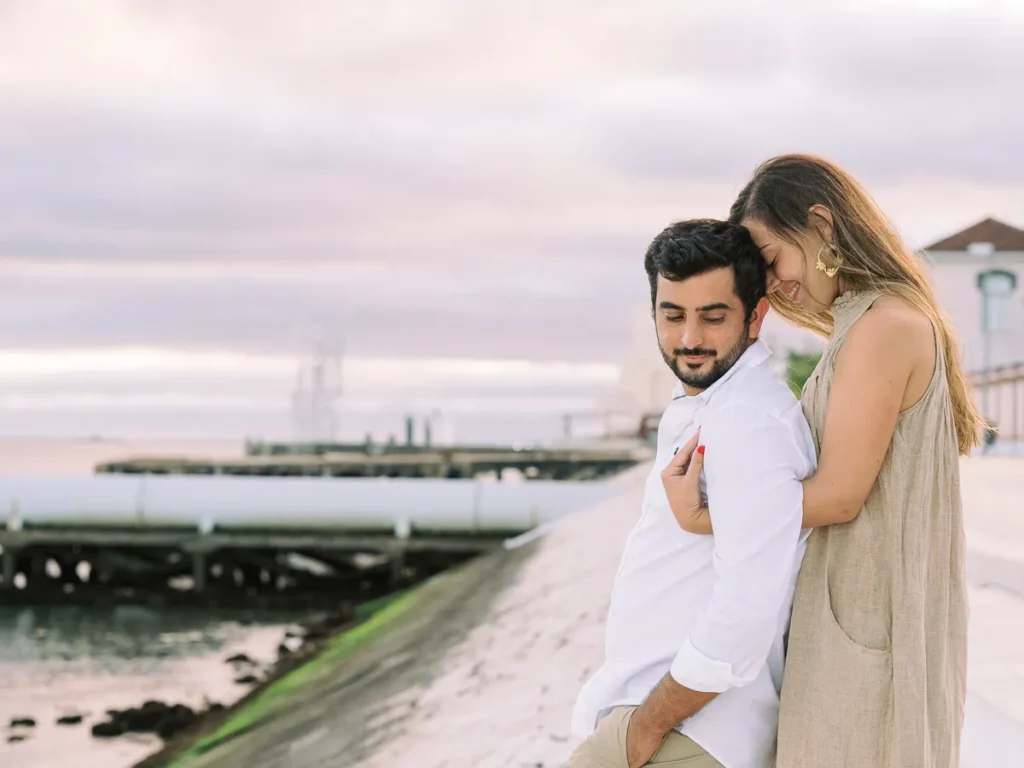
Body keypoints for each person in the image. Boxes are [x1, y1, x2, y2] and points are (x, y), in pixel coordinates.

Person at [664, 154, 978, 768]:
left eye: (772, 258)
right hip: (856, 615)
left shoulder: (883, 326)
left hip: (868, 619)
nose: (771, 283)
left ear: (820, 224)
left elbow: (838, 495)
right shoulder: (867, 322)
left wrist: (703, 516)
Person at [568, 219, 816, 768]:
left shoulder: (747, 420)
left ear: (756, 316)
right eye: (673, 315)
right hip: (663, 718)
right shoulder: (711, 406)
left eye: (713, 316)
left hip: (688, 732)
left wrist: (649, 725)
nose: (689, 339)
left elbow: (747, 605)